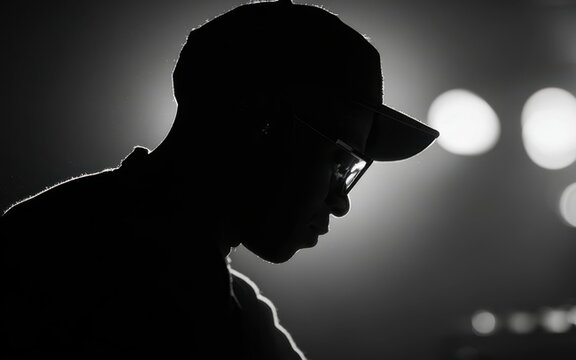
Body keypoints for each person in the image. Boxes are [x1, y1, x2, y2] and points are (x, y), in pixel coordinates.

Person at [0, 1, 438, 359]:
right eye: (340, 161)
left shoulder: (58, 235)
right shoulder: (116, 281)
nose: (340, 202)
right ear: (259, 119)